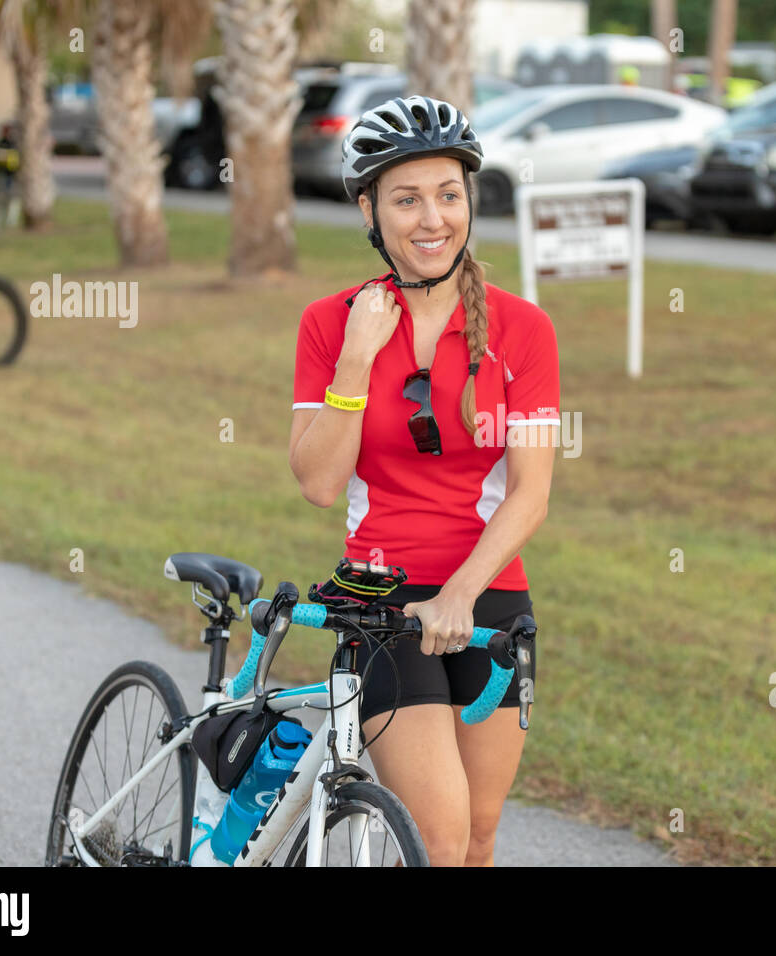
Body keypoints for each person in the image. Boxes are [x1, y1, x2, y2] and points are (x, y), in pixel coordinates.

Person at [288, 95, 560, 866]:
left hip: (488, 598)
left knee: (477, 835)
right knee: (435, 839)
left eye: (448, 194)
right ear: (370, 209)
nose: (432, 218)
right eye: (407, 199)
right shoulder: (329, 321)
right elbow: (315, 480)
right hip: (380, 601)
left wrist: (462, 593)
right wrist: (354, 360)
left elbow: (531, 494)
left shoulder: (522, 329)